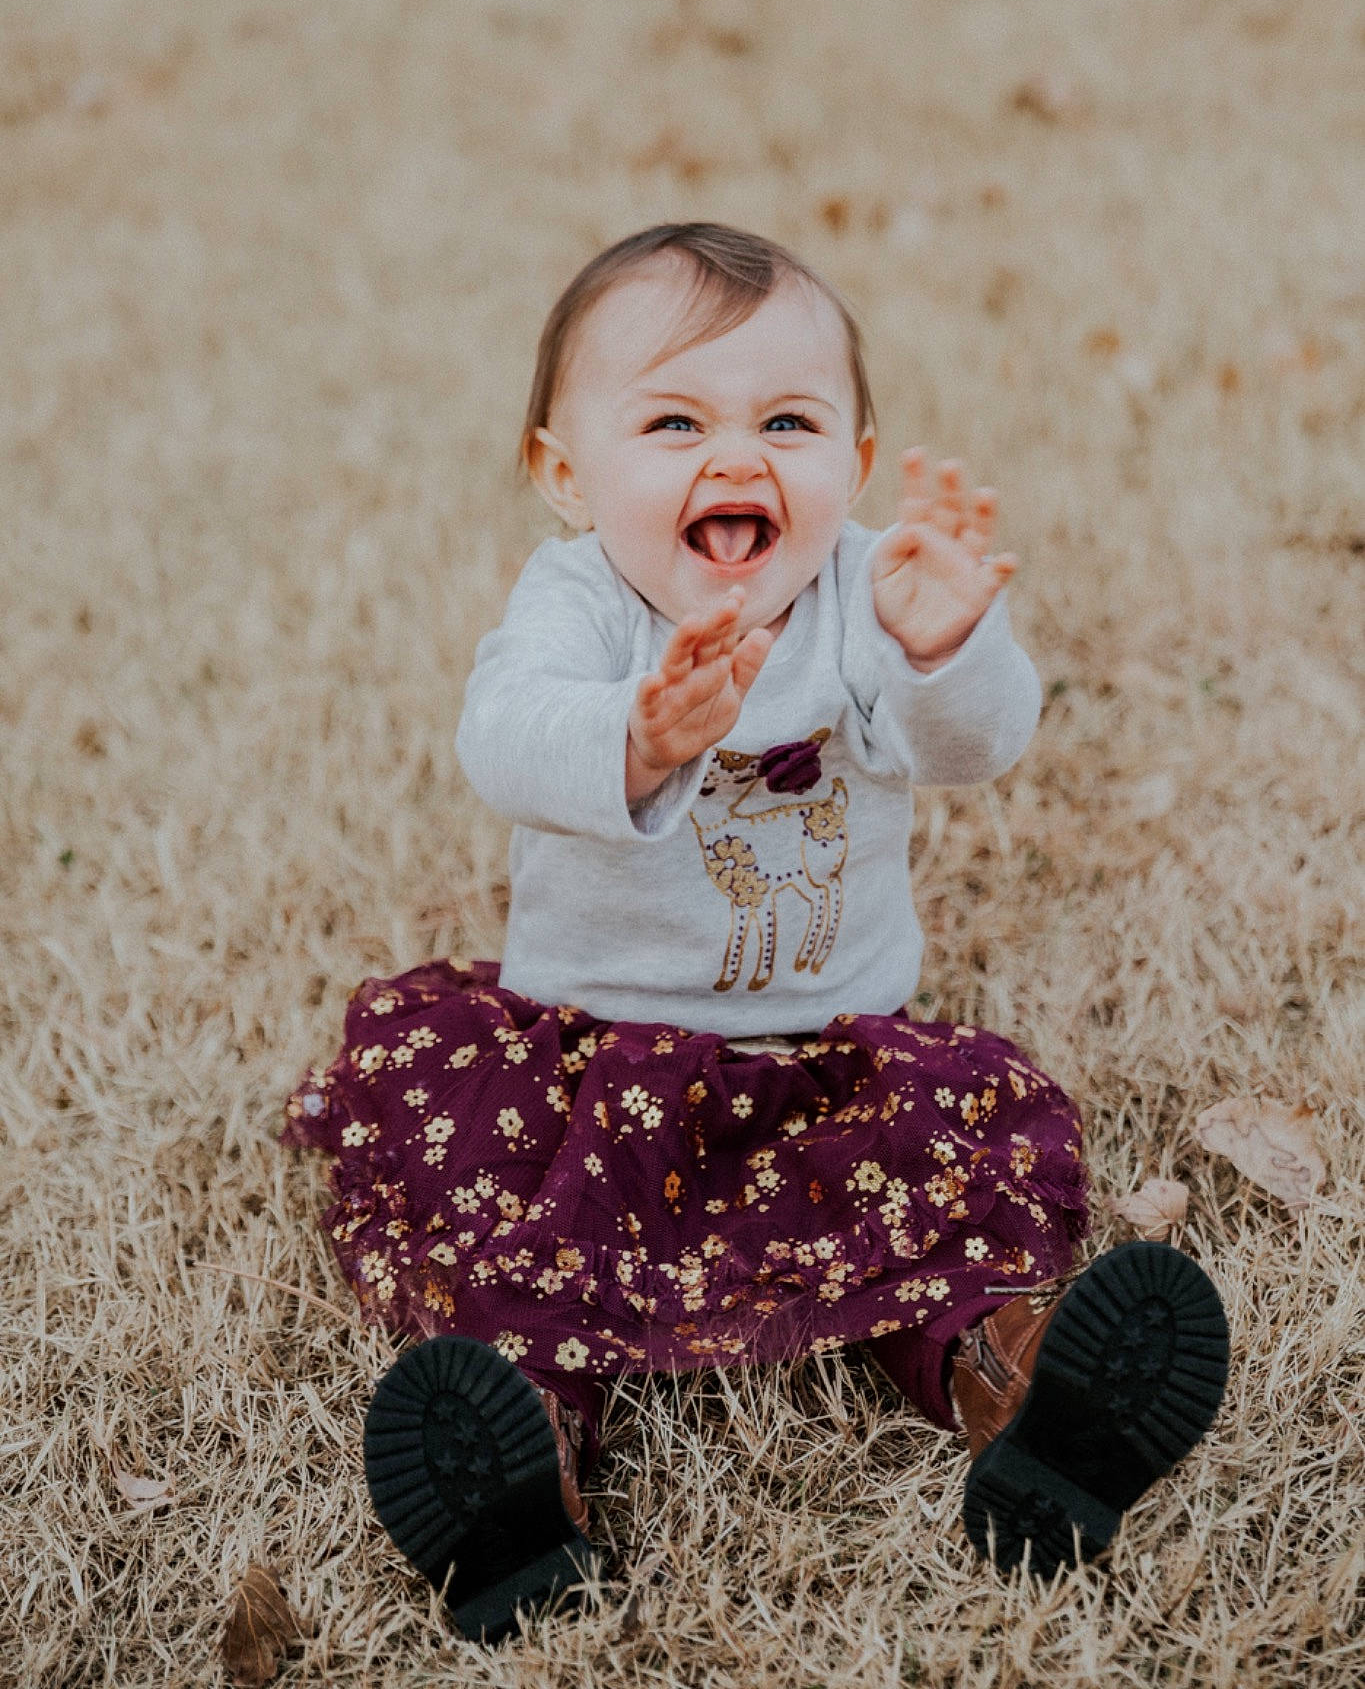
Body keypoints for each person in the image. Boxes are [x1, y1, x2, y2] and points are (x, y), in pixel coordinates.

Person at [285, 222, 1228, 1642]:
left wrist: (940, 650)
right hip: (591, 1054)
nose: (736, 461)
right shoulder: (577, 600)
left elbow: (969, 747)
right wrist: (637, 734)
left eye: (785, 421)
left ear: (850, 460)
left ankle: (1018, 1392)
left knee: (931, 1199)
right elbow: (504, 737)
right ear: (564, 473)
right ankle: (518, 1460)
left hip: (828, 1044)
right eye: (672, 422)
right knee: (537, 1233)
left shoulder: (863, 589)